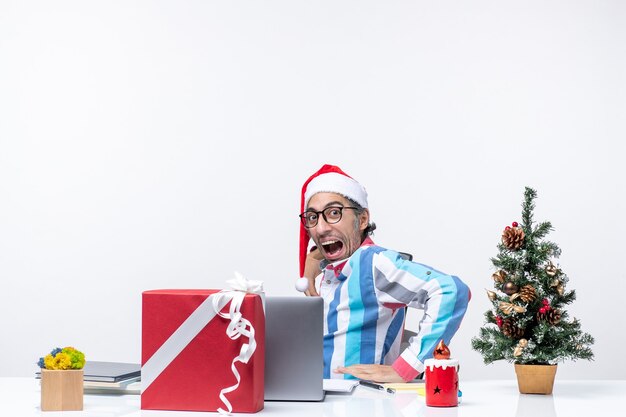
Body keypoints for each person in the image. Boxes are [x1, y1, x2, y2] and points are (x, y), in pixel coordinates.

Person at [296, 164, 470, 383]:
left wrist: (405, 368)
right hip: (323, 402)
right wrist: (313, 258)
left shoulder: (374, 263)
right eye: (312, 218)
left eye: (334, 213)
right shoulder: (328, 275)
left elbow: (451, 290)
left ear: (362, 220)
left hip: (365, 403)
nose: (320, 229)